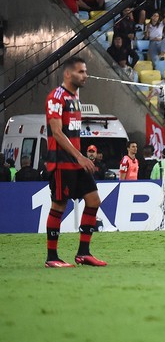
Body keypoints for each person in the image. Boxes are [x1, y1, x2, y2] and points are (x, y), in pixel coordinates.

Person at [42, 57, 105, 268]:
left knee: (94, 200)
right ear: (68, 74)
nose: (85, 75)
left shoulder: (75, 98)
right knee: (59, 206)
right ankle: (52, 257)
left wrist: (80, 157)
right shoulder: (56, 97)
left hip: (77, 161)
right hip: (62, 162)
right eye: (81, 72)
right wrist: (79, 156)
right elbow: (57, 133)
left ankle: (83, 253)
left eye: (85, 71)